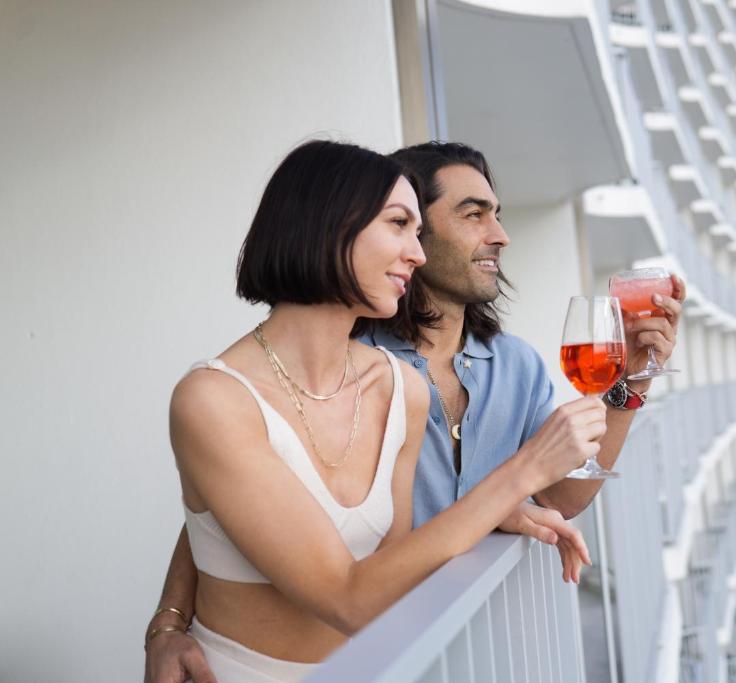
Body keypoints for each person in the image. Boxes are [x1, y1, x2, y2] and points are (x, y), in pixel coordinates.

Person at [145, 141, 684, 683]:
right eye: (472, 214)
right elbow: (221, 511)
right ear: (335, 226)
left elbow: (562, 495)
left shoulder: (421, 381)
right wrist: (169, 620)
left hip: (421, 654)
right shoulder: (280, 369)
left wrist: (630, 383)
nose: (499, 235)